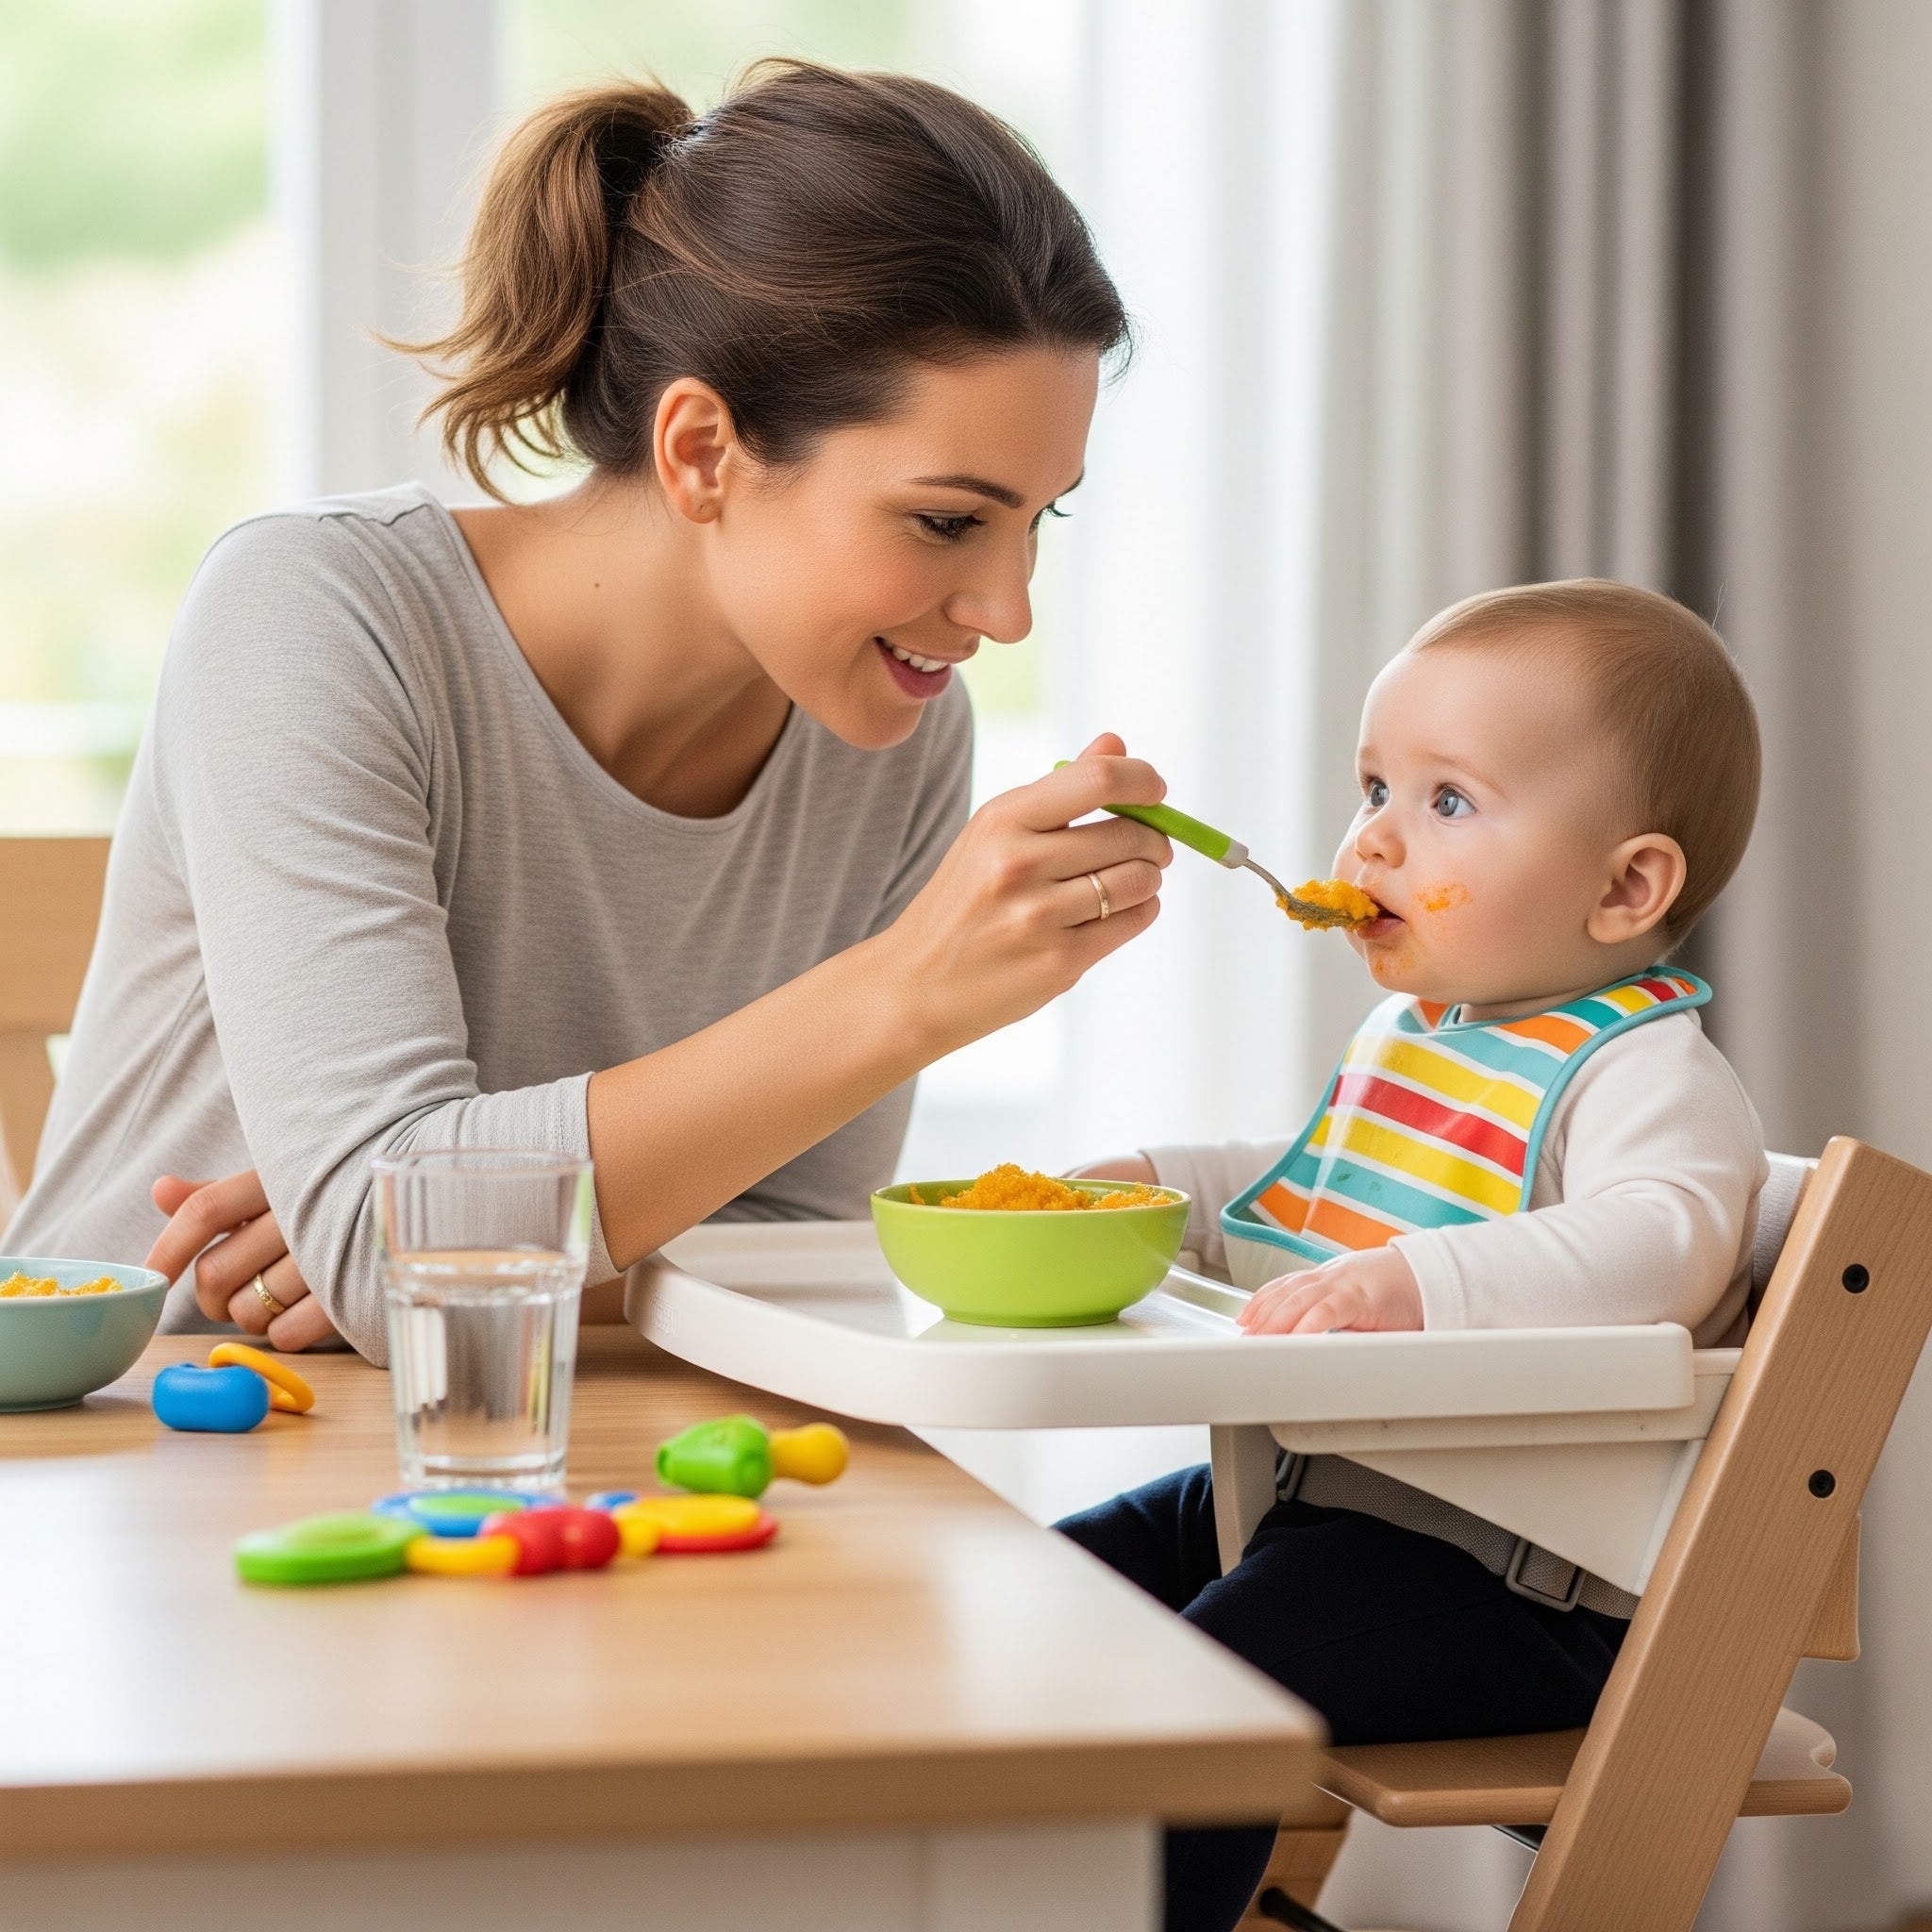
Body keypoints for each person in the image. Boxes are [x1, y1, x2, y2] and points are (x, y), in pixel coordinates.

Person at [3, 62, 1173, 1357]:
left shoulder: (890, 728)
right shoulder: (315, 616)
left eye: (1037, 518)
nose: (1007, 611)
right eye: (948, 520)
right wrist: (907, 989)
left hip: (571, 1439)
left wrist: (447, 1231)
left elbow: (795, 1251)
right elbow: (394, 1258)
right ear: (701, 452)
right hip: (140, 1440)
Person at [1065, 579, 1769, 1932]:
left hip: (1520, 1587)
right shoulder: (1427, 1040)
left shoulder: (1640, 1071)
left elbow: (1663, 1248)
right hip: (1334, 1513)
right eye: (1371, 784)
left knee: (1197, 1701)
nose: (1374, 840)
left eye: (1445, 802)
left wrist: (1412, 1290)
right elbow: (1310, 1195)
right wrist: (1151, 1193)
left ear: (1628, 885)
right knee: (1045, 1593)